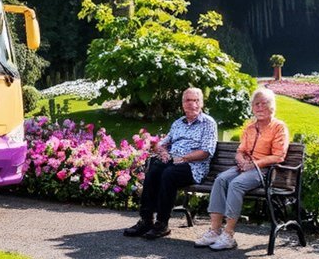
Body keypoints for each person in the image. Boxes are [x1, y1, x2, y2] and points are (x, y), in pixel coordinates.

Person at [195, 87, 289, 251]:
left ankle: (228, 234)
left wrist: (254, 164)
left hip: (264, 170)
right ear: (252, 107)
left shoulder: (278, 127)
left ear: (272, 106)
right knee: (221, 179)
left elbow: (278, 156)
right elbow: (240, 151)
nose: (259, 107)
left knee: (236, 184)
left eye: (264, 103)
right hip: (244, 167)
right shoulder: (250, 127)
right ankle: (215, 231)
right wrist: (242, 161)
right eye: (256, 104)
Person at [123, 87, 217, 240]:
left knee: (169, 174)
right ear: (183, 104)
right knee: (154, 170)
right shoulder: (178, 123)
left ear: (201, 103)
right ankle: (146, 220)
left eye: (196, 100)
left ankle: (162, 224)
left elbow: (206, 151)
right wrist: (163, 152)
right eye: (188, 100)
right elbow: (161, 144)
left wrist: (185, 158)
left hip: (194, 166)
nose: (192, 104)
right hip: (174, 162)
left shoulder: (208, 123)